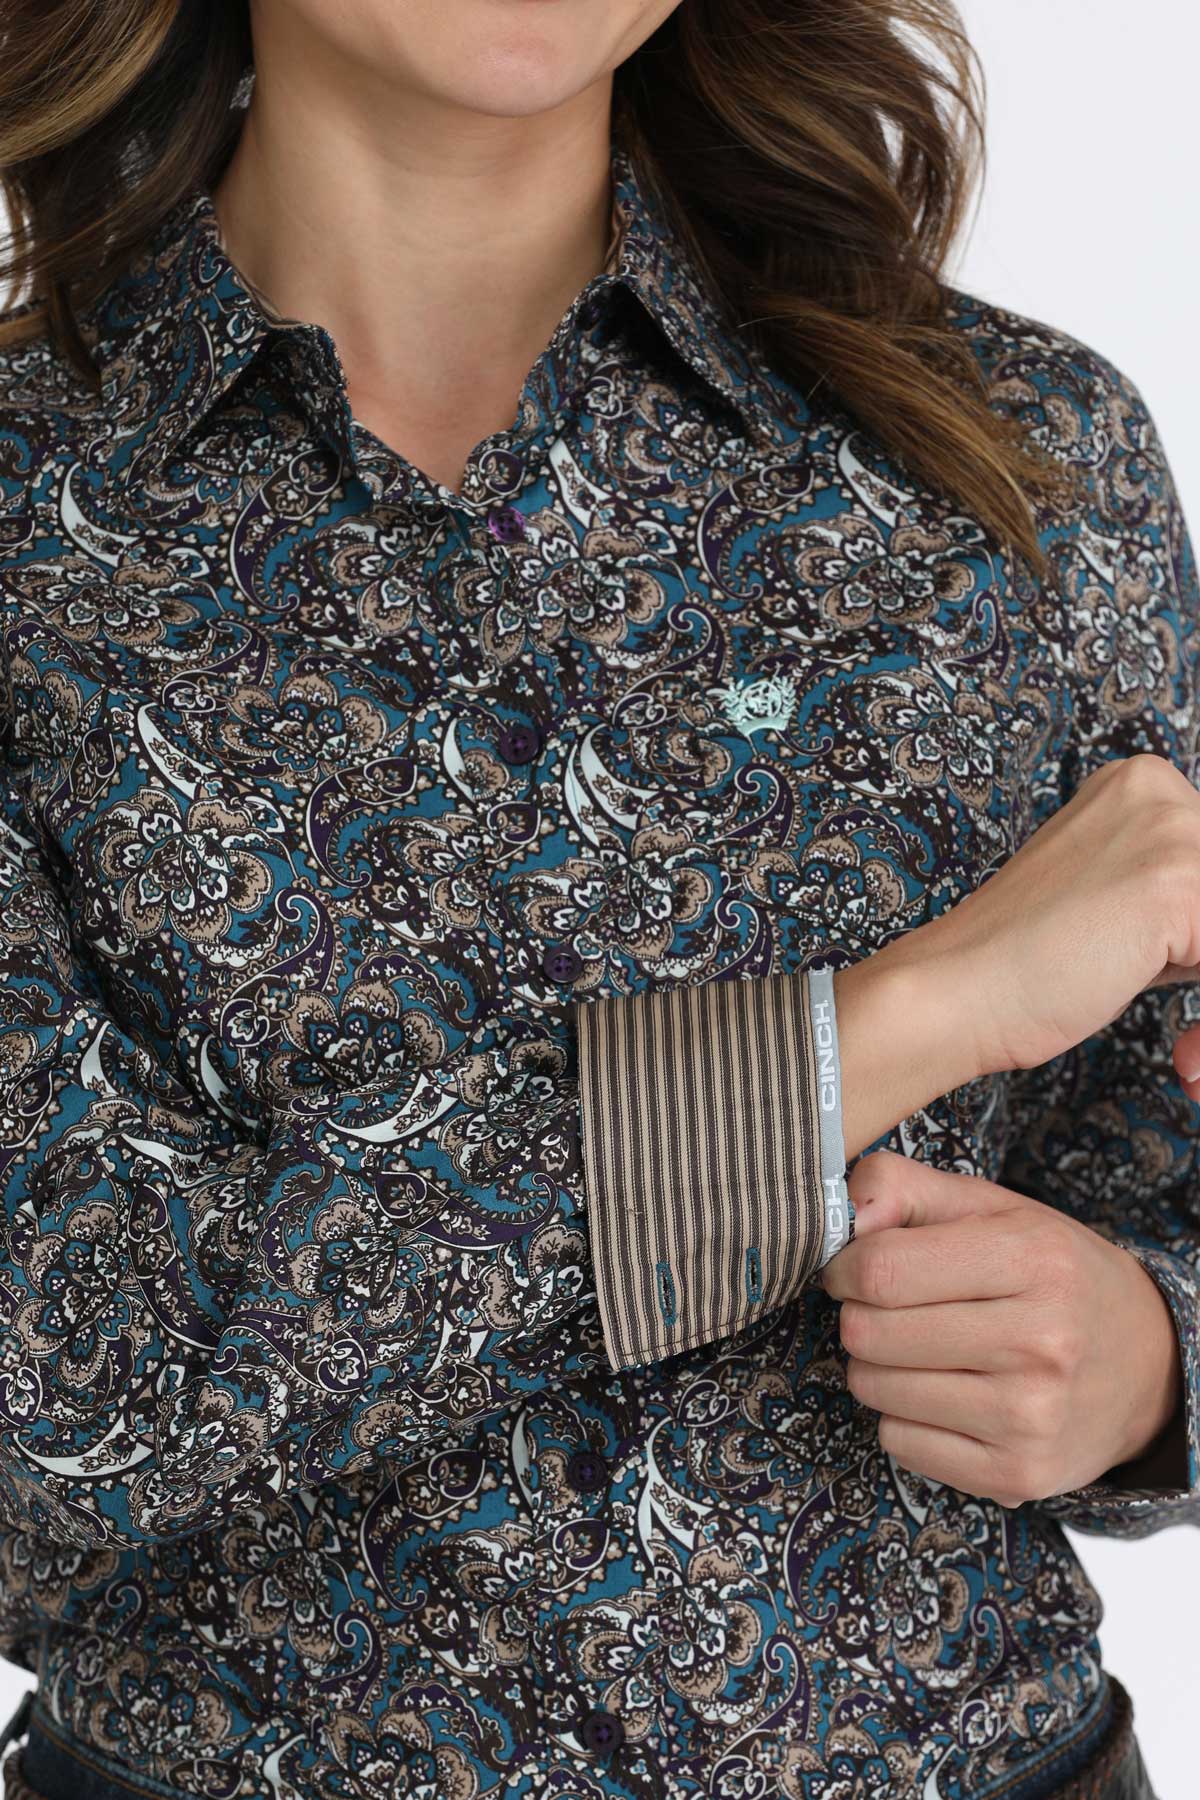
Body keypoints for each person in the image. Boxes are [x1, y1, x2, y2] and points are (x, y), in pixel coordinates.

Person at [0, 1, 1192, 1796]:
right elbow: (64, 1400)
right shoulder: (28, 518)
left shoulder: (1018, 465)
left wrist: (1150, 1364)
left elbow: (1163, 1178)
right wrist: (887, 1030)